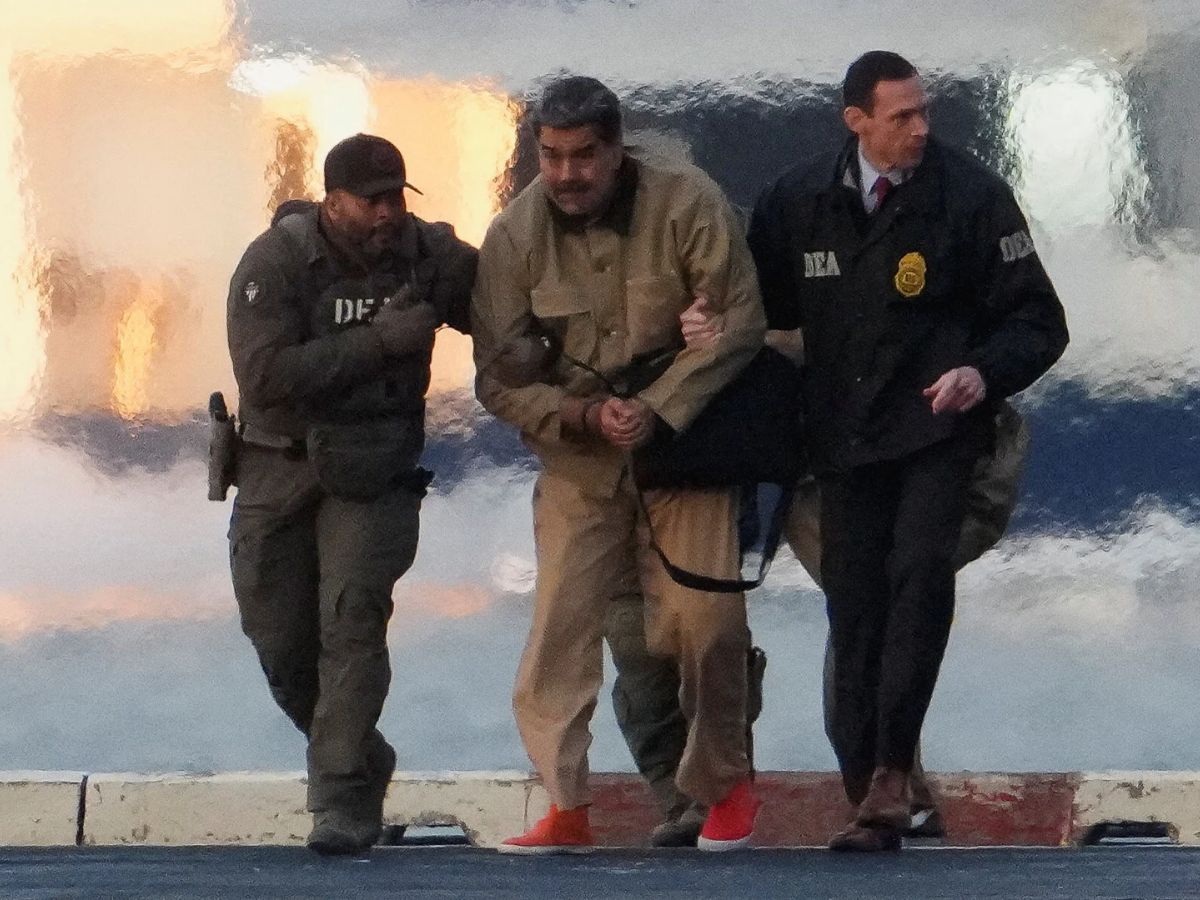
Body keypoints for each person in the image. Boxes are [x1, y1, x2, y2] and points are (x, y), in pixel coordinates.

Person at [745, 50, 1068, 851]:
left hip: (936, 428)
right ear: (856, 121)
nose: (921, 128)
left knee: (919, 578)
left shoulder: (972, 196)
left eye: (925, 111)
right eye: (902, 116)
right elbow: (760, 304)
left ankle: (892, 771)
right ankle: (870, 787)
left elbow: (1039, 321)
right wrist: (711, 322)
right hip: (844, 435)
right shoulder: (798, 199)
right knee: (855, 605)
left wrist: (980, 372)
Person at [471, 75, 768, 853]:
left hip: (686, 455)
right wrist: (579, 415)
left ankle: (726, 785)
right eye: (551, 156)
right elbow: (498, 380)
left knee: (707, 623)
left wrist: (659, 405)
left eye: (582, 157)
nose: (565, 174)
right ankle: (566, 806)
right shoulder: (513, 236)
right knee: (557, 635)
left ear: (616, 149)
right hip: (579, 465)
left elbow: (739, 323)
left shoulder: (687, 202)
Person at [225, 133, 476, 855]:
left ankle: (340, 802)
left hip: (373, 469)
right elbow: (264, 376)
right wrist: (379, 344)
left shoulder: (428, 256)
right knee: (279, 640)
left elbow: (508, 307)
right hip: (278, 465)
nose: (387, 211)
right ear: (332, 201)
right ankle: (362, 755)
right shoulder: (274, 263)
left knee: (351, 621)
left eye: (395, 196)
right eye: (370, 200)